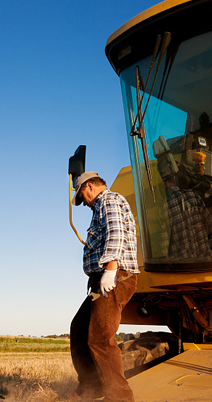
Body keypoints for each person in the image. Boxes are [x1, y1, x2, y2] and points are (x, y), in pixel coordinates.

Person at [70, 171, 139, 402]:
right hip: (102, 281)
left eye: (82, 197)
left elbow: (116, 233)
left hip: (115, 277)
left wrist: (110, 270)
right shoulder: (100, 207)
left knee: (100, 337)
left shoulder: (109, 200)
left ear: (89, 186)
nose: (84, 203)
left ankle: (119, 397)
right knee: (79, 330)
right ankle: (91, 389)